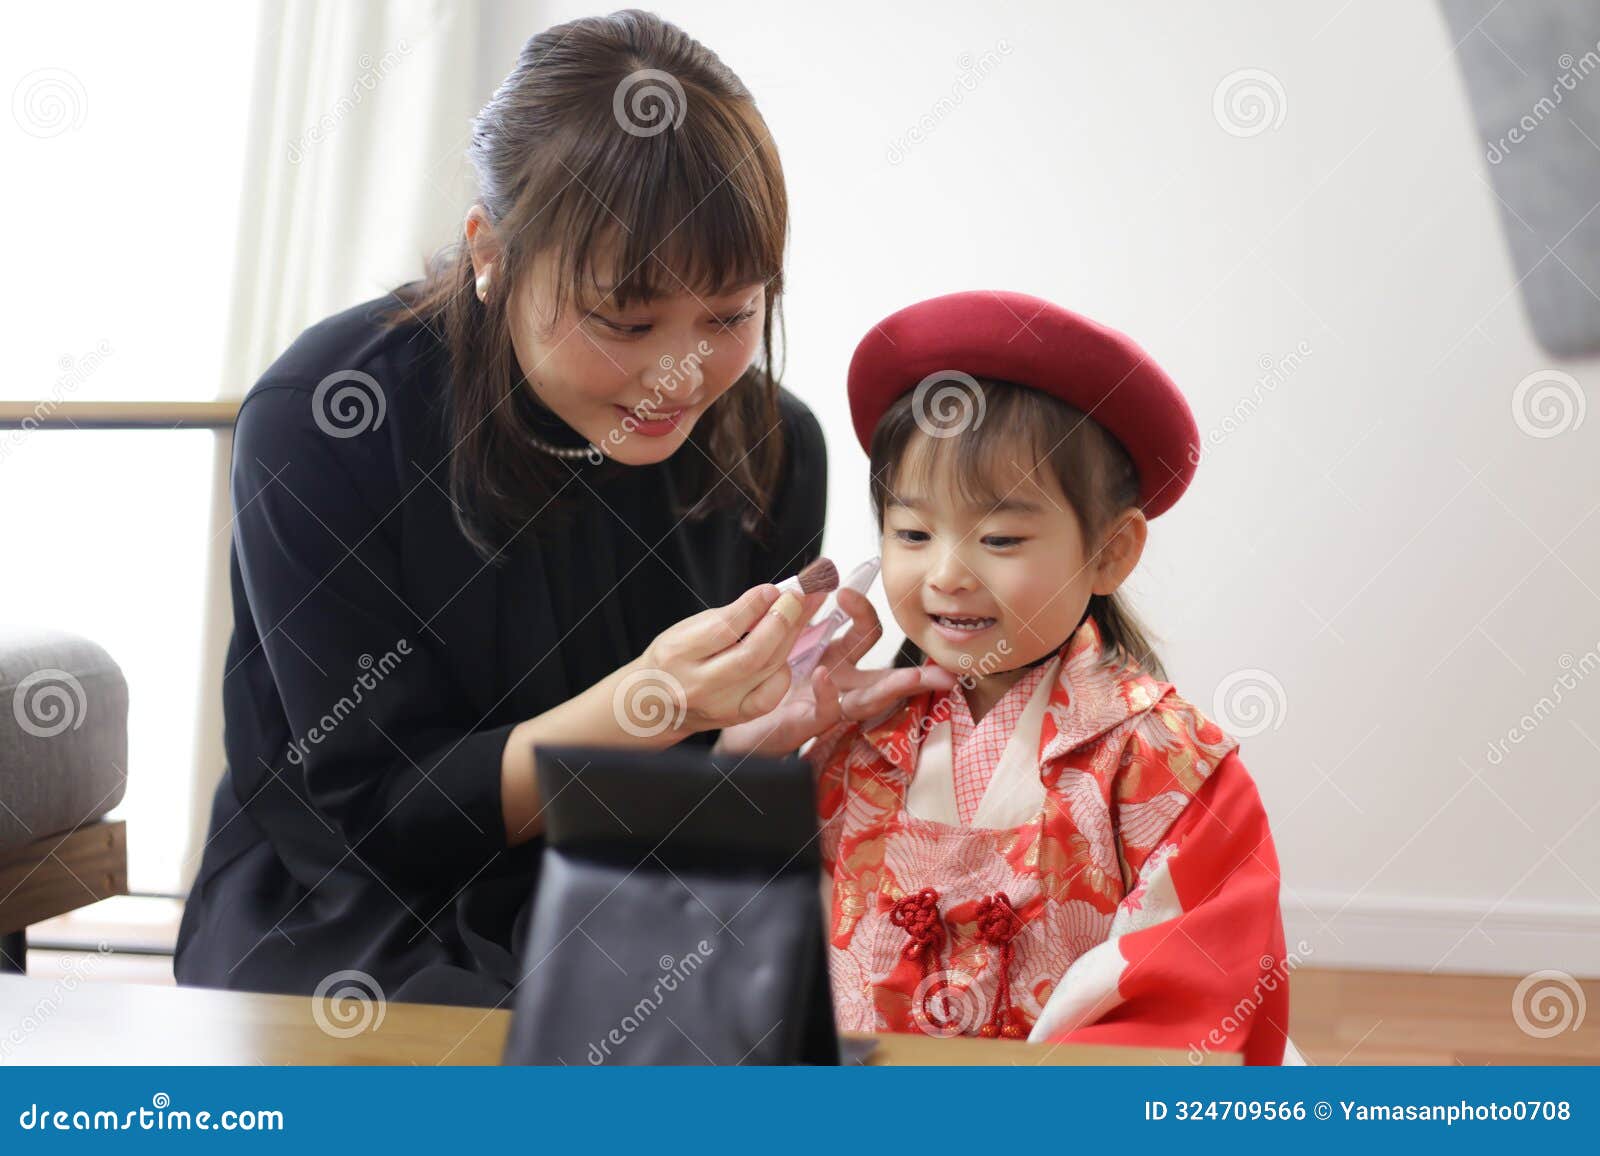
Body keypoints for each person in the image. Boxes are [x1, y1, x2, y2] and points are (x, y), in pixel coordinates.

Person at [174, 10, 942, 1008]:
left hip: (624, 896)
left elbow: (690, 807)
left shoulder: (772, 447)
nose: (682, 370)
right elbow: (376, 814)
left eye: (731, 314)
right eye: (625, 319)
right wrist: (645, 704)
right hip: (350, 906)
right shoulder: (330, 417)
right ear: (489, 252)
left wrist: (755, 741)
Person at [800, 290, 1294, 1063]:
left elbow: (1194, 984)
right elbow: (765, 936)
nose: (947, 573)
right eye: (913, 532)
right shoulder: (849, 741)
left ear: (1110, 552)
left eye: (999, 537)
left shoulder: (1171, 765)